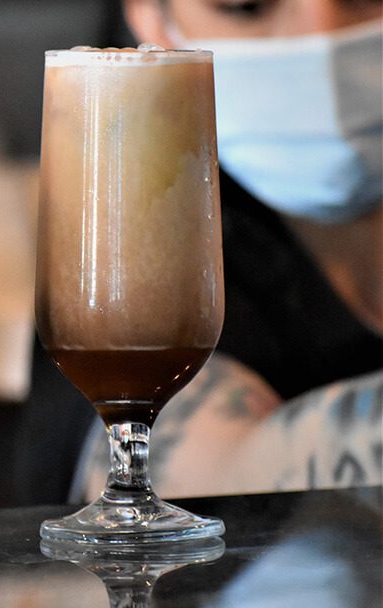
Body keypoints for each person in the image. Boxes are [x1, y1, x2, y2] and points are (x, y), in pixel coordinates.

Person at [71, 0, 383, 500]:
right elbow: (169, 489)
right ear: (151, 19)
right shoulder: (132, 248)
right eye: (245, 6)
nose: (320, 38)